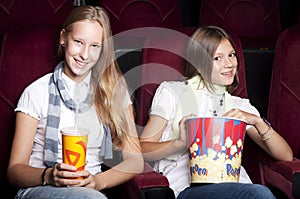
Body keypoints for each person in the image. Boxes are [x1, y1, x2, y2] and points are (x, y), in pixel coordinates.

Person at [139, 26, 293, 199]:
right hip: (190, 188)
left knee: (258, 193)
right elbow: (142, 148)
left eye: (231, 55)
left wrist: (257, 121)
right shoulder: (174, 92)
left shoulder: (239, 105)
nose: (229, 64)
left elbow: (285, 155)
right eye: (217, 58)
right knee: (260, 194)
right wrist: (180, 143)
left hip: (237, 185)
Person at [7, 5, 143, 199]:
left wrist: (97, 182)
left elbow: (135, 161)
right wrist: (50, 175)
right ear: (64, 38)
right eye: (78, 42)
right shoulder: (37, 91)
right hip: (39, 187)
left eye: (94, 46)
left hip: (90, 191)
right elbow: (14, 170)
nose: (85, 55)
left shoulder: (113, 92)